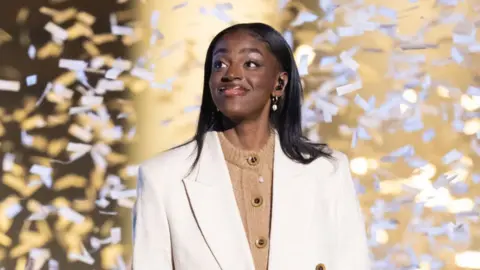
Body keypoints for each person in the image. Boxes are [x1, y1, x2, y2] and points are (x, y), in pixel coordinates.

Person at [132, 22, 371, 270]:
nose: (231, 73)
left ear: (279, 84)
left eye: (251, 64)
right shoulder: (162, 178)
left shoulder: (327, 171)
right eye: (219, 64)